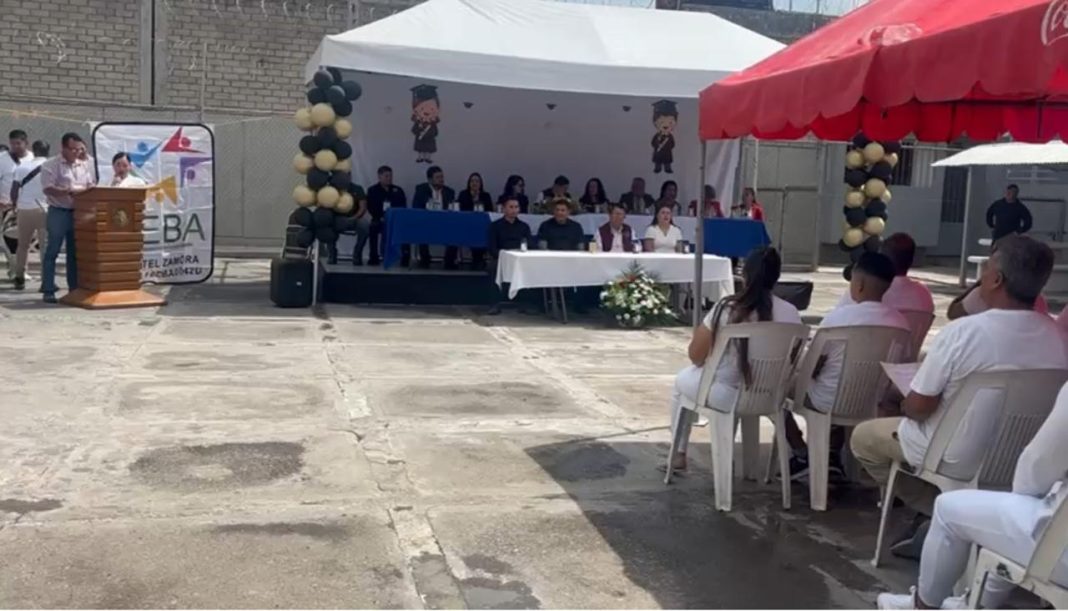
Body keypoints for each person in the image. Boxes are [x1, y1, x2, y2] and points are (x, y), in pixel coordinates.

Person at [851, 236, 1068, 519]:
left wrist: (905, 404)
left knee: (863, 439)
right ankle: (957, 513)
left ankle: (940, 511)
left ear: (996, 280)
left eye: (986, 268)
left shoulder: (964, 333)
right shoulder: (1057, 339)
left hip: (952, 455)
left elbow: (919, 408)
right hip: (1016, 454)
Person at [877, 380, 1068, 610]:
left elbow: (1036, 468)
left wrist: (1023, 498)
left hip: (1059, 548)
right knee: (1012, 519)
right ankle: (975, 604)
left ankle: (923, 606)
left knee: (948, 510)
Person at [667, 247, 802, 471]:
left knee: (681, 382)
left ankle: (679, 452)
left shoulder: (727, 308)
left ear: (745, 275)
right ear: (776, 277)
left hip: (726, 395)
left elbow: (695, 355)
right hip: (769, 396)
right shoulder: (790, 313)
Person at [784, 252, 911, 479]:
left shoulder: (838, 318)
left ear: (858, 284)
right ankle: (832, 454)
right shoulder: (900, 323)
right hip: (871, 401)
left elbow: (812, 366)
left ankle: (802, 454)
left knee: (778, 386)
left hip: (827, 401)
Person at [39, 132, 95, 304]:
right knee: (52, 251)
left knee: (74, 253)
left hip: (78, 212)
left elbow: (90, 184)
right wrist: (68, 191)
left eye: (79, 149)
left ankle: (74, 289)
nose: (77, 153)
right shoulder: (51, 164)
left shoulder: (83, 164)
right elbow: (47, 188)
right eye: (73, 149)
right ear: (63, 148)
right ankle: (48, 289)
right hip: (58, 211)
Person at [948, 239, 1050, 319]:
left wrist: (980, 284)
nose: (984, 274)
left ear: (997, 280)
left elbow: (953, 313)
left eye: (987, 268)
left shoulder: (980, 296)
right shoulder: (1050, 328)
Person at [836, 233, 934, 315]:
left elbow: (835, 321)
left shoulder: (865, 289)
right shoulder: (923, 293)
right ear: (912, 261)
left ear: (882, 258)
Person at [9, 140, 49, 291]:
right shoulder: (50, 167)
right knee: (44, 247)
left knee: (23, 245)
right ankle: (46, 280)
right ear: (48, 151)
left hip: (24, 209)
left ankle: (19, 276)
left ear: (33, 150)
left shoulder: (22, 167)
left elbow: (14, 190)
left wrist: (15, 205)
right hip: (44, 209)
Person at [486, 197, 532, 315]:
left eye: (516, 207)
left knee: (530, 268)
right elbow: (492, 248)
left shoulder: (524, 226)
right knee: (493, 268)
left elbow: (530, 244)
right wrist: (505, 256)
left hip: (520, 259)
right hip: (501, 258)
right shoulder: (495, 226)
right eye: (511, 207)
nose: (514, 210)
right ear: (504, 209)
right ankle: (494, 304)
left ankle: (526, 303)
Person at [447, 172, 494, 270]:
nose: (474, 183)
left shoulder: (486, 196)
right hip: (465, 225)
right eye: (472, 181)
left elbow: (490, 211)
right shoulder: (463, 194)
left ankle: (478, 260)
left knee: (481, 235)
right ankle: (450, 261)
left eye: (477, 181)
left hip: (480, 226)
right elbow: (460, 209)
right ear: (469, 183)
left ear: (481, 184)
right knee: (453, 233)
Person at [412, 165, 455, 269]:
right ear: (430, 180)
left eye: (442, 177)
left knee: (456, 229)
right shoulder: (421, 190)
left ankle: (449, 260)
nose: (441, 180)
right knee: (420, 229)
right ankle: (425, 259)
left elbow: (453, 209)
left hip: (445, 223)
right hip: (426, 222)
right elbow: (416, 207)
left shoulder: (449, 192)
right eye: (438, 177)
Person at [366, 165, 407, 266]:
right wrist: (381, 217)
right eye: (386, 176)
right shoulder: (372, 190)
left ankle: (405, 257)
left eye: (390, 176)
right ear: (379, 177)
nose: (389, 178)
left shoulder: (398, 190)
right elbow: (371, 207)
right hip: (379, 219)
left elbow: (403, 206)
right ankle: (373, 257)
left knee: (405, 227)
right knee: (373, 227)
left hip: (395, 220)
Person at [0, 130, 34, 210]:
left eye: (18, 143)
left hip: (25, 206)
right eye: (12, 143)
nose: (15, 146)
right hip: (5, 205)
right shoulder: (2, 158)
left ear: (26, 143)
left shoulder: (32, 158)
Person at [343, 183, 371, 266]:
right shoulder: (333, 189)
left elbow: (363, 207)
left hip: (354, 217)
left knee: (364, 225)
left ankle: (357, 253)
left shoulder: (357, 189)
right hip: (338, 219)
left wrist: (354, 217)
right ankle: (332, 252)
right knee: (327, 222)